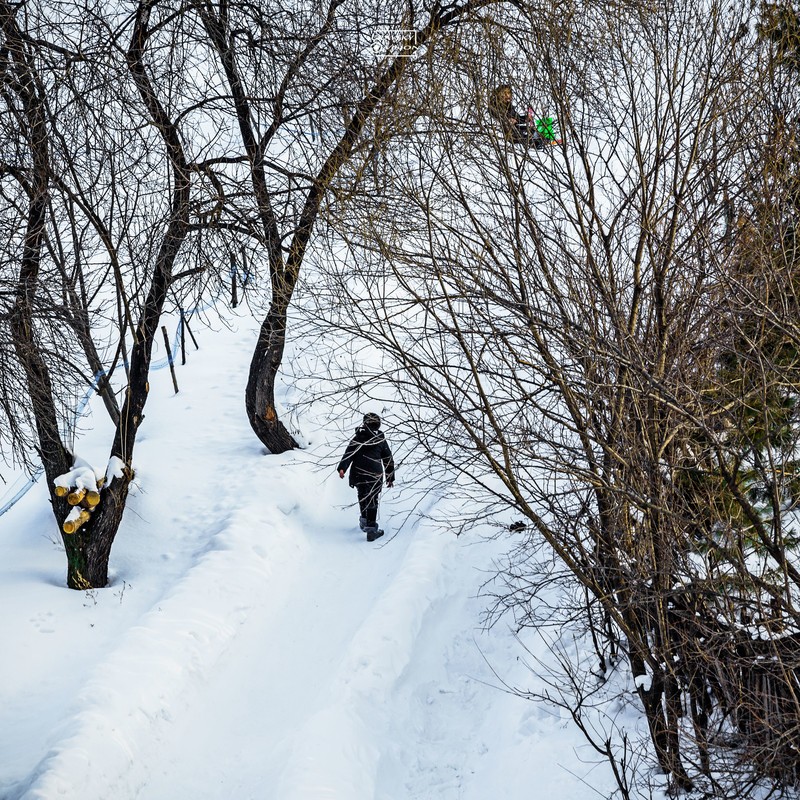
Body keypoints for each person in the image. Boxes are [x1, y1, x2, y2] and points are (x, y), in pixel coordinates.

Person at [337, 412, 395, 542]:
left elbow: (349, 454)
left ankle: (364, 521)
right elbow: (388, 459)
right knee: (372, 499)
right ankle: (371, 529)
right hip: (374, 474)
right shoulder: (380, 438)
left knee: (362, 496)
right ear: (377, 424)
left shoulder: (358, 438)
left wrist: (342, 468)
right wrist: (390, 477)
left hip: (358, 473)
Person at [487, 84, 554, 149]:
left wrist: (526, 118)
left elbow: (516, 118)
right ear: (499, 94)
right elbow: (497, 120)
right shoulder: (494, 107)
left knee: (531, 130)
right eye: (504, 93)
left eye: (509, 93)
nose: (507, 95)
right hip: (509, 134)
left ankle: (543, 139)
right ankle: (537, 143)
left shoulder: (509, 106)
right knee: (523, 136)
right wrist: (507, 121)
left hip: (516, 129)